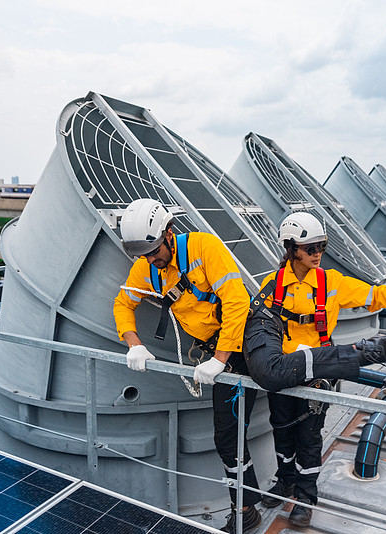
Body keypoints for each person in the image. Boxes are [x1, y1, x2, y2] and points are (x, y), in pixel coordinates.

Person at [244, 211, 386, 527]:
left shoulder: (331, 284)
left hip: (319, 372)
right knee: (281, 430)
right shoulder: (273, 286)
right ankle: (284, 481)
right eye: (310, 247)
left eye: (321, 246)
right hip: (285, 370)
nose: (317, 254)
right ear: (291, 248)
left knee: (310, 437)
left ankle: (305, 497)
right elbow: (258, 326)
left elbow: (374, 296)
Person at [112, 198, 262, 533]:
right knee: (230, 437)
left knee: (254, 418)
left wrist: (220, 359)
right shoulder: (146, 267)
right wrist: (133, 343)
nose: (151, 259)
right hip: (216, 351)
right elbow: (123, 303)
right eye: (143, 255)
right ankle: (247, 507)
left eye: (153, 251)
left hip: (242, 342)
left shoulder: (203, 247)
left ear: (169, 233)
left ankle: (255, 504)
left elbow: (237, 300)